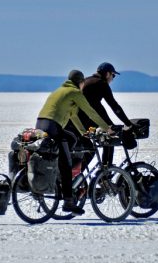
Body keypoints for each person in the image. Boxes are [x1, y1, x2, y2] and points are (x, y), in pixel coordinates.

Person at [36, 70, 111, 215]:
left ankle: (58, 178)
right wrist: (107, 128)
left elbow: (74, 115)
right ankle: (68, 202)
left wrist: (83, 132)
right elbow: (91, 112)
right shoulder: (75, 92)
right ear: (81, 82)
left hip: (40, 125)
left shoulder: (59, 90)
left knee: (71, 139)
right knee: (66, 163)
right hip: (53, 126)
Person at [74, 62, 134, 166]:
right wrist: (128, 124)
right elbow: (114, 106)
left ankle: (78, 178)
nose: (113, 78)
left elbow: (98, 108)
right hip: (83, 120)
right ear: (107, 74)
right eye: (113, 75)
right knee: (109, 137)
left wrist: (109, 125)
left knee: (93, 145)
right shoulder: (101, 83)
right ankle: (106, 172)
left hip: (73, 120)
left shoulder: (87, 81)